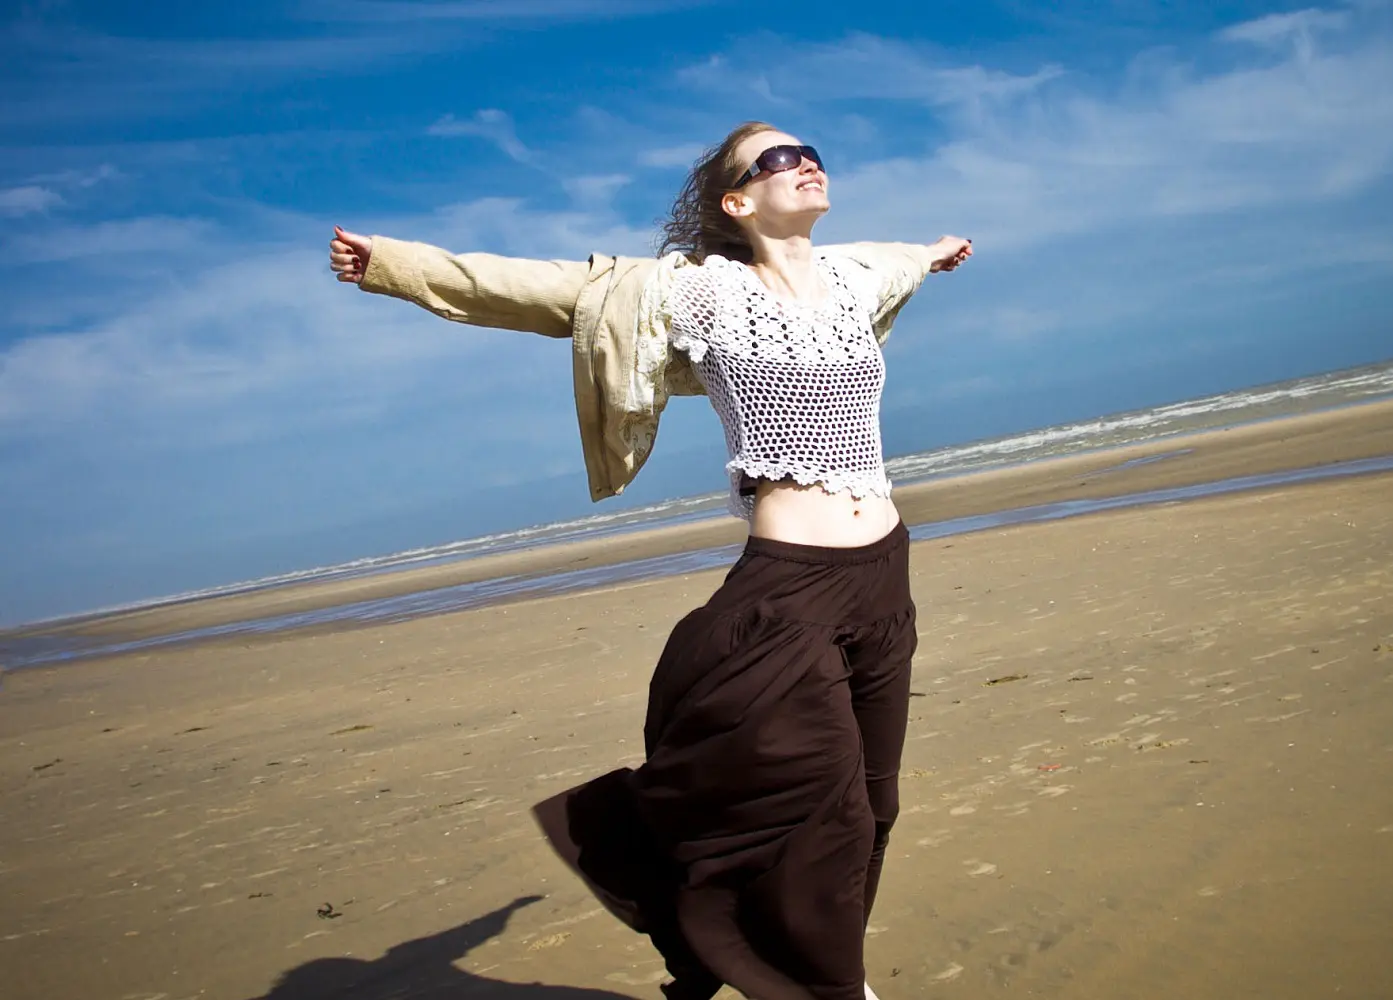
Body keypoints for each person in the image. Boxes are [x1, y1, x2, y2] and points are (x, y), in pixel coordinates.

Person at [330, 120, 972, 1000]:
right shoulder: (689, 294)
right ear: (736, 202)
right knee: (826, 808)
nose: (805, 162)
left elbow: (899, 259)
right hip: (788, 591)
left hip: (884, 577)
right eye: (777, 158)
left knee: (875, 804)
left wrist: (934, 252)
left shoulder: (854, 276)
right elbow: (539, 291)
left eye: (810, 148)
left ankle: (791, 960)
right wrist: (397, 267)